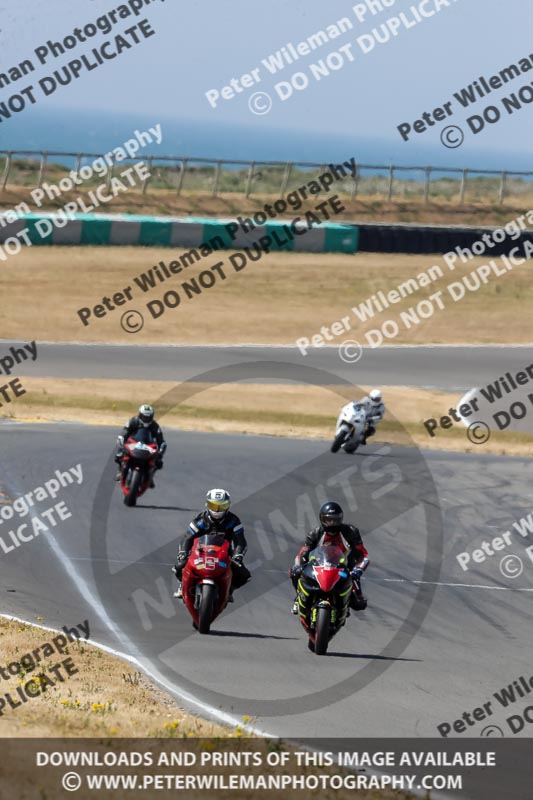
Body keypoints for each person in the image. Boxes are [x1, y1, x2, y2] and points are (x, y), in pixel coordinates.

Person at [289, 501, 369, 615]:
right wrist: (297, 566)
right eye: (328, 520)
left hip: (343, 568)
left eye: (335, 520)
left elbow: (363, 554)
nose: (332, 523)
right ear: (322, 519)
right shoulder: (315, 533)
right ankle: (298, 598)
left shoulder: (350, 531)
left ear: (340, 519)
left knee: (359, 604)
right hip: (319, 567)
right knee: (295, 572)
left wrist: (358, 569)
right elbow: (302, 553)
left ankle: (344, 603)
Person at [173, 489, 250, 601]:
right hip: (200, 552)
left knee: (244, 575)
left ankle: (229, 589)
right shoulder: (200, 520)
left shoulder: (233, 521)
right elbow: (187, 538)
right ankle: (182, 585)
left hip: (224, 554)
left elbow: (241, 541)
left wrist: (238, 556)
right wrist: (183, 553)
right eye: (213, 505)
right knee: (179, 567)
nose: (217, 510)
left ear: (228, 506)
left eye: (221, 506)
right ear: (207, 504)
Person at [115, 404, 166, 486]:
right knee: (119, 455)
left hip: (148, 446)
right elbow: (125, 431)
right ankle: (120, 471)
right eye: (145, 417)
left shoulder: (154, 426)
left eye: (149, 417)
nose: (146, 419)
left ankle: (150, 477)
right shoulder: (133, 421)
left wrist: (161, 450)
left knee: (158, 462)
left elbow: (160, 440)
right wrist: (122, 438)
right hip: (132, 443)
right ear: (140, 415)